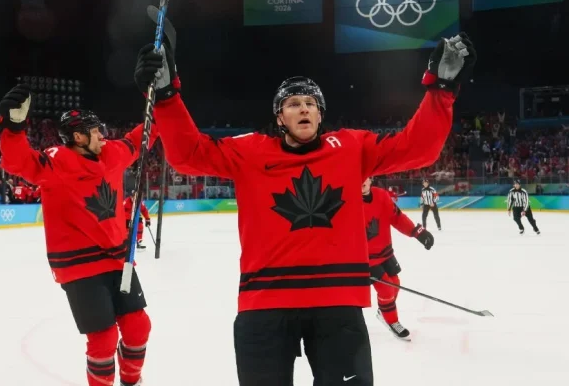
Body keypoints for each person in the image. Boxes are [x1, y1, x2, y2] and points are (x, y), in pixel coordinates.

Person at [133, 29, 476, 385]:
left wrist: (442, 89)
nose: (304, 108)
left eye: (311, 103)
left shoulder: (350, 147)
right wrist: (167, 97)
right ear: (279, 117)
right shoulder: (249, 151)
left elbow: (419, 148)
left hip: (337, 303)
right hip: (265, 302)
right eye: (294, 103)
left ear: (320, 113)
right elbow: (189, 155)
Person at [0, 84, 162, 386]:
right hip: (79, 267)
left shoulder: (112, 153)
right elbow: (17, 161)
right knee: (103, 339)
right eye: (95, 131)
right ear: (78, 137)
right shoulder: (55, 163)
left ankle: (131, 381)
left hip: (117, 260)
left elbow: (141, 137)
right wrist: (13, 127)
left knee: (138, 326)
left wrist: (159, 97)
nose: (102, 135)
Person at [362, 176, 432, 341]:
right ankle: (392, 321)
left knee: (395, 283)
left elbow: (397, 218)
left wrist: (417, 232)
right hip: (365, 258)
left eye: (364, 178)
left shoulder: (381, 196)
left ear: (371, 179)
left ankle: (384, 311)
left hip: (385, 252)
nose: (361, 182)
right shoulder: (348, 202)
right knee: (386, 289)